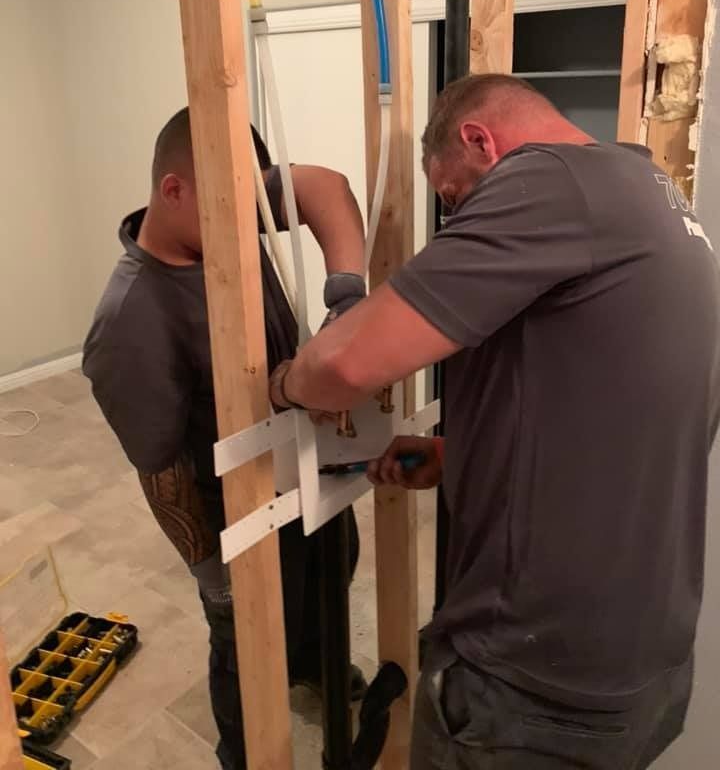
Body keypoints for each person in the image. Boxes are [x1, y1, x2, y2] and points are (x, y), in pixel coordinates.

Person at [269, 74, 720, 770]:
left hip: (532, 687)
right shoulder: (659, 202)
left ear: (481, 140)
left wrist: (286, 384)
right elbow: (620, 419)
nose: (457, 220)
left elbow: (344, 365)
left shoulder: (550, 181)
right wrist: (461, 455)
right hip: (641, 663)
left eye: (453, 199)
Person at [83, 107, 368, 770]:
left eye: (255, 205)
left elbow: (326, 186)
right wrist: (214, 580)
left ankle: (318, 665)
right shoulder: (131, 321)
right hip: (240, 514)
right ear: (174, 190)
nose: (251, 227)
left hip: (304, 464)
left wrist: (347, 298)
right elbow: (161, 474)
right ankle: (246, 755)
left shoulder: (228, 200)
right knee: (249, 650)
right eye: (235, 210)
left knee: (333, 572)